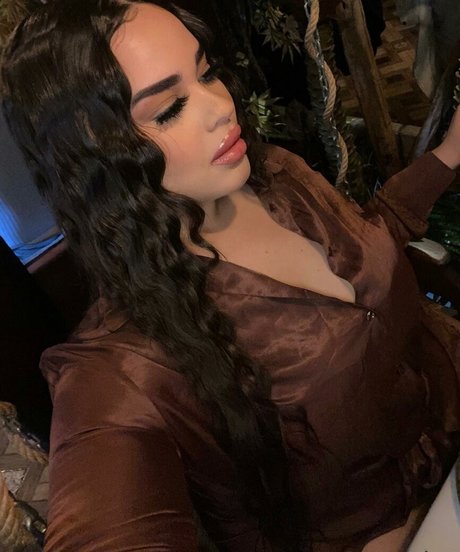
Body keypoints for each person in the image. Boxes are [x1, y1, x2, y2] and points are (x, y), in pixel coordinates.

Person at [2, 1, 460, 550]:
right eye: (169, 109)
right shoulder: (121, 367)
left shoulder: (275, 174)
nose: (221, 106)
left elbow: (368, 240)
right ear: (95, 155)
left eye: (206, 72)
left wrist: (450, 153)